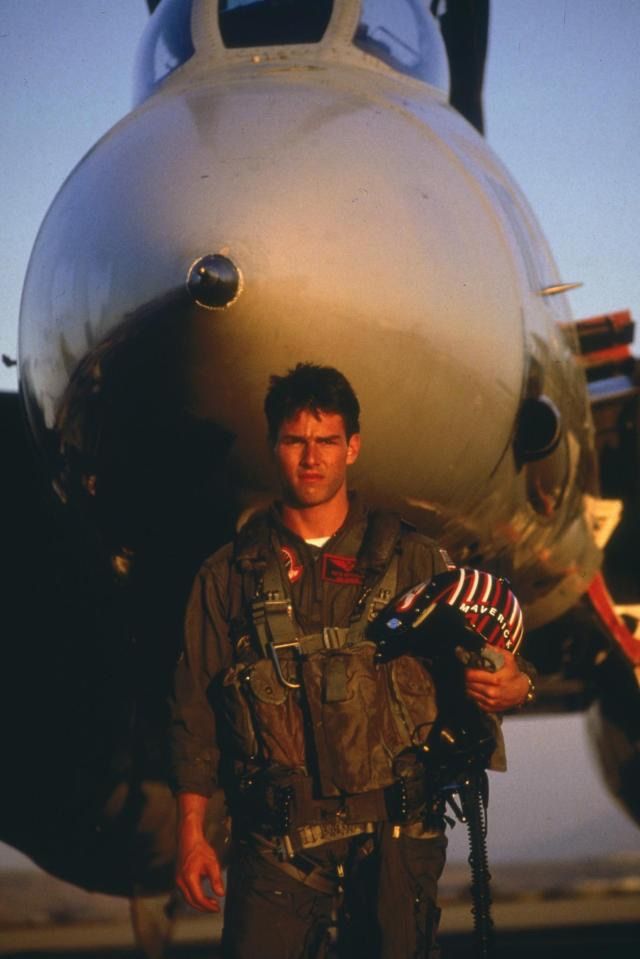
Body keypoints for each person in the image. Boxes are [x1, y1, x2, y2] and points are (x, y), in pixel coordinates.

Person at [170, 363, 533, 958]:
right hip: (274, 848)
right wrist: (191, 834)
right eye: (295, 441)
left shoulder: (417, 561)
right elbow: (194, 714)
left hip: (394, 841)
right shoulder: (226, 577)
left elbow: (494, 664)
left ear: (352, 447)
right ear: (274, 446)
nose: (311, 458)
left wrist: (517, 687)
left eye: (327, 441)